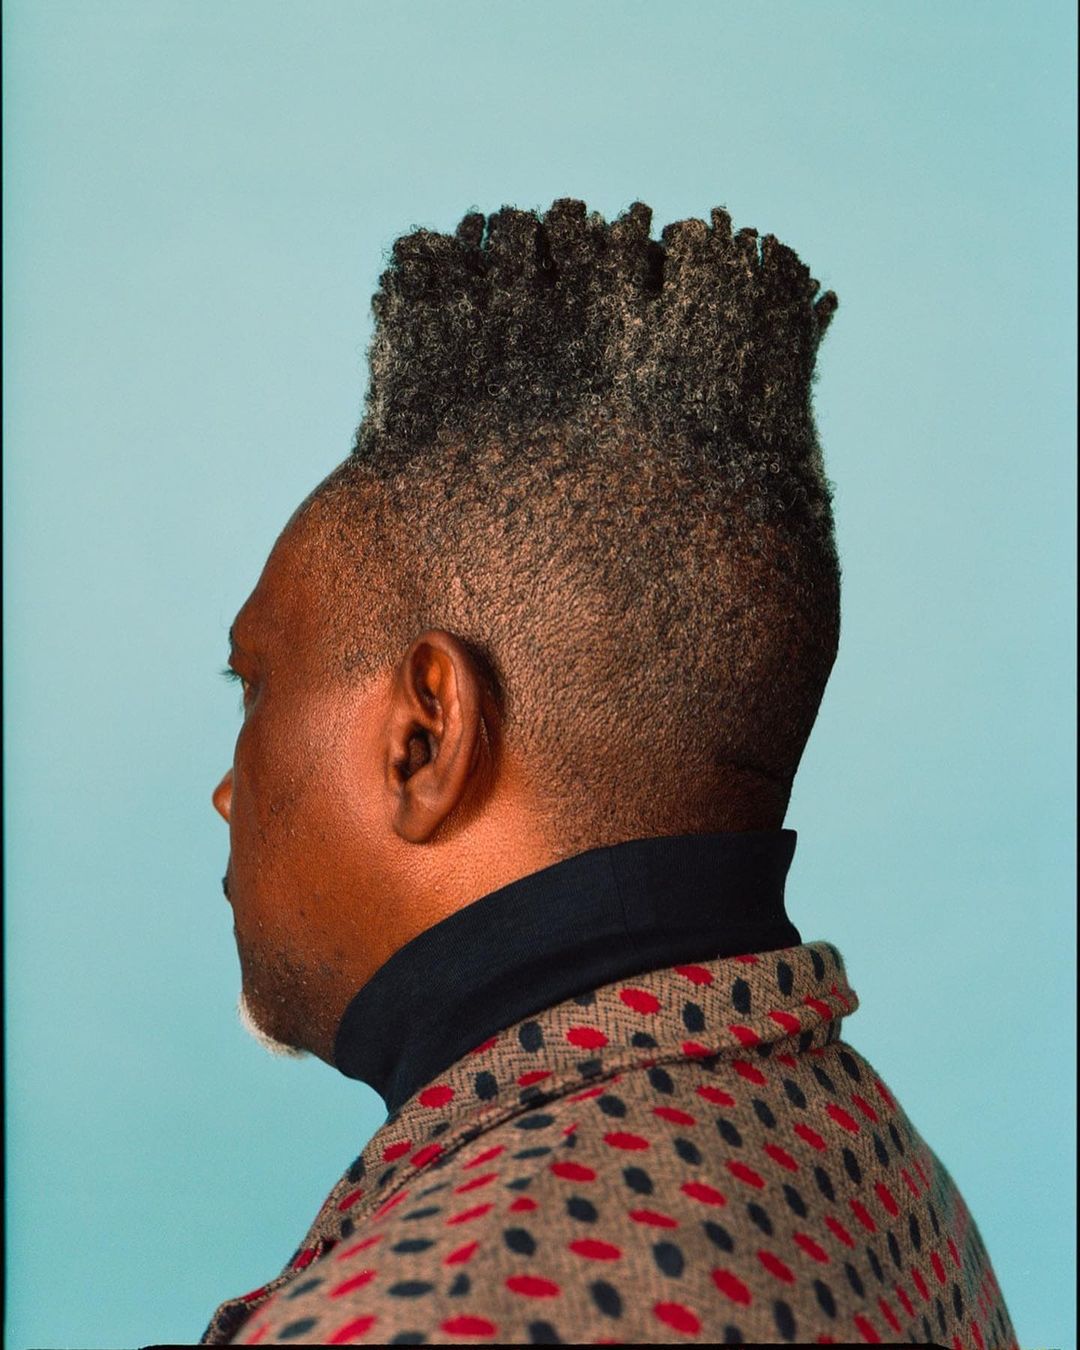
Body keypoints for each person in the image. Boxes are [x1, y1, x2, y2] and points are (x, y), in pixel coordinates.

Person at [199, 199, 1016, 1346]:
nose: (227, 792)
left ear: (423, 737)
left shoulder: (417, 1318)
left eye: (254, 685)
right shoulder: (883, 1167)